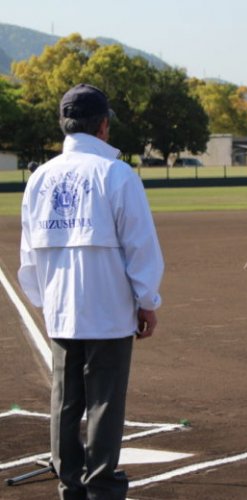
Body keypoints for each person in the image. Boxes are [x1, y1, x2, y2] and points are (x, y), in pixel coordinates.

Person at [18, 83, 165, 499]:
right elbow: (141, 246)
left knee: (65, 403)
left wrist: (46, 302)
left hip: (61, 309)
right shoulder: (117, 174)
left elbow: (28, 255)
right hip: (109, 308)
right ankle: (101, 485)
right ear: (103, 125)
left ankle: (70, 485)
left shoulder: (39, 179)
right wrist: (147, 301)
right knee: (105, 401)